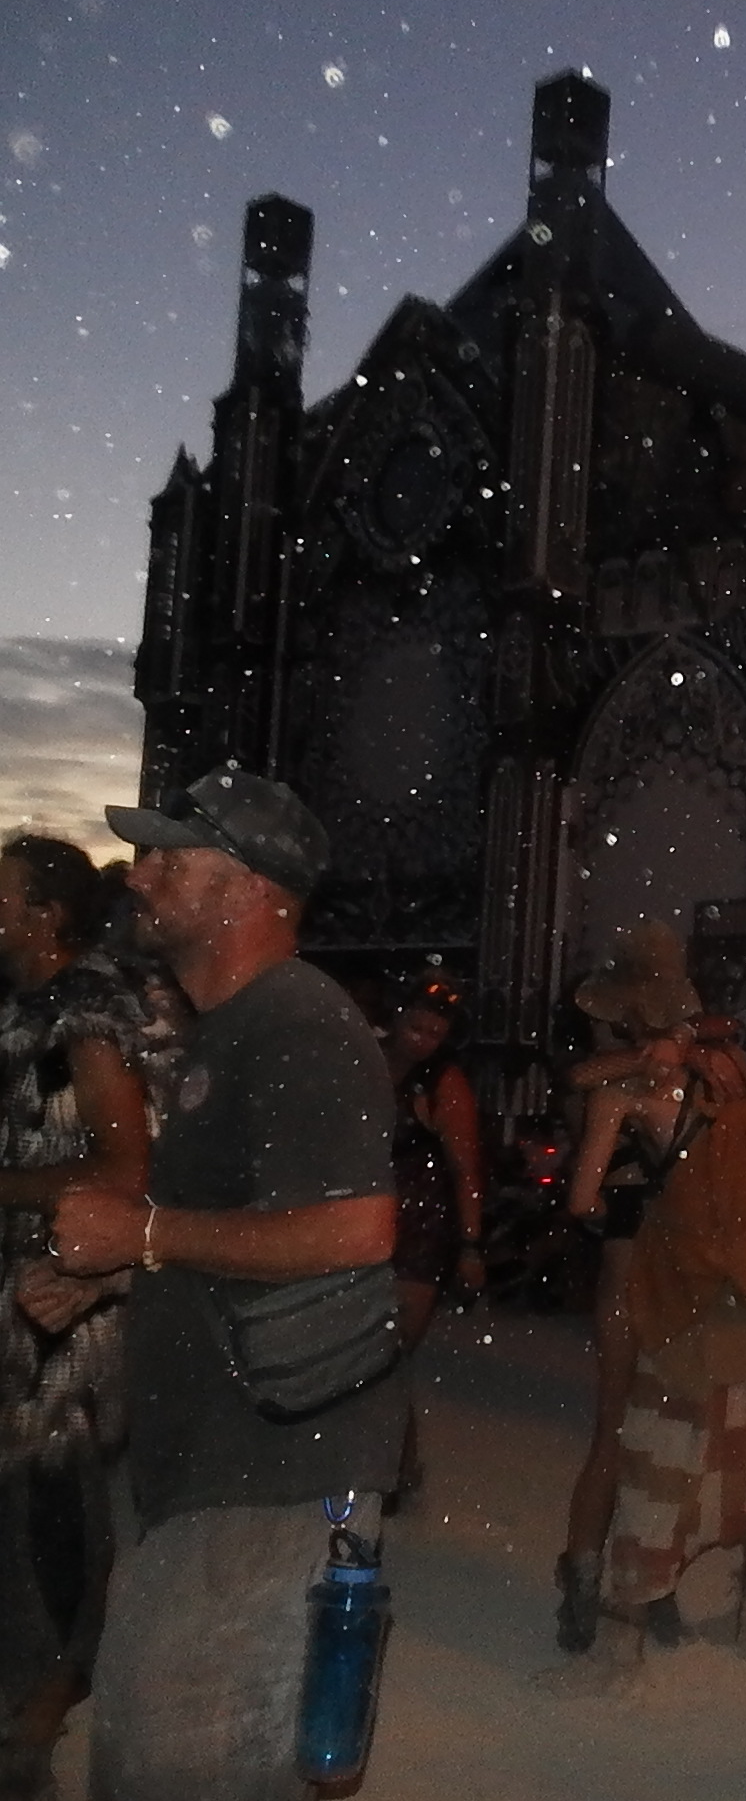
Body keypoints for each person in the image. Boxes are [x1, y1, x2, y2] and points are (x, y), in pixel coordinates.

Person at [51, 768, 402, 1801]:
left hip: (273, 1473)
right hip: (230, 1461)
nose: (139, 874)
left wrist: (146, 1231)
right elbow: (242, 1231)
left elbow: (357, 1231)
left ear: (249, 888)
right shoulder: (241, 1024)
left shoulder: (298, 1020)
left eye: (171, 859)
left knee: (174, 1760)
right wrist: (123, 1264)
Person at [601, 1021, 746, 1657]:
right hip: (739, 1307)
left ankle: (636, 1626)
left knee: (673, 1470)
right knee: (744, 1466)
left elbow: (583, 1197)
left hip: (707, 1307)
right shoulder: (742, 1117)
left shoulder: (654, 1102)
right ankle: (731, 1615)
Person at [0, 836, 156, 1801]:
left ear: (45, 914)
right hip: (20, 1289)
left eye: (2, 893)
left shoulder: (87, 1010)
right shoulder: (23, 1005)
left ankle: (43, 1713)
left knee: (54, 1508)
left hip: (68, 1299)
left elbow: (124, 1167)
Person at [554, 921, 708, 1654]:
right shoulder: (708, 1084)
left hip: (630, 1264)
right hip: (686, 1270)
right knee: (672, 1436)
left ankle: (589, 1579)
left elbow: (580, 1200)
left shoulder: (614, 1089)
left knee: (616, 1433)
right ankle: (650, 1581)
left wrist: (617, 1191)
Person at [385, 975, 485, 1501]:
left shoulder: (444, 1082)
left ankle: (395, 1470)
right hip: (365, 1224)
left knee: (391, 1356)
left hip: (422, 1231)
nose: (423, 1040)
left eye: (435, 1033)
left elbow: (465, 1169)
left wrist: (470, 1246)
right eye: (416, 1027)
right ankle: (388, 1466)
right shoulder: (366, 1061)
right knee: (361, 1356)